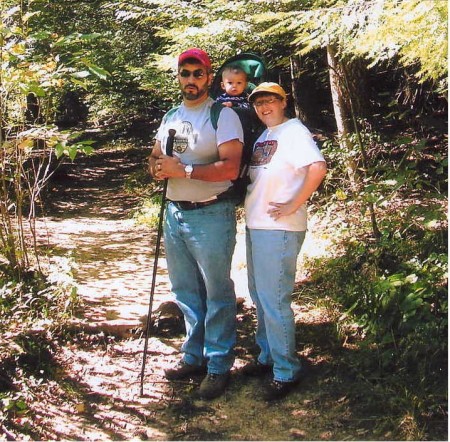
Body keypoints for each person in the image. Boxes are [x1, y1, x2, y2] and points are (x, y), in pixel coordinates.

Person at [148, 48, 244, 400]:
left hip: (211, 213)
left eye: (197, 73)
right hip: (175, 213)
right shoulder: (171, 115)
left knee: (217, 291)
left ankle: (219, 364)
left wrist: (184, 170)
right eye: (184, 73)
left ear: (208, 77)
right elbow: (156, 158)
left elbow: (231, 168)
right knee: (185, 290)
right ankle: (194, 356)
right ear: (178, 77)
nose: (190, 80)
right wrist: (157, 168)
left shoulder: (222, 115)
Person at [241, 82, 327, 401]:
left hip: (280, 228)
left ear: (283, 101)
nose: (264, 107)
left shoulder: (293, 131)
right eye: (259, 102)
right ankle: (268, 357)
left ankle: (286, 371)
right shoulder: (265, 136)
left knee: (275, 299)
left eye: (270, 101)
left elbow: (317, 168)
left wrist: (294, 203)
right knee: (259, 295)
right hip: (256, 225)